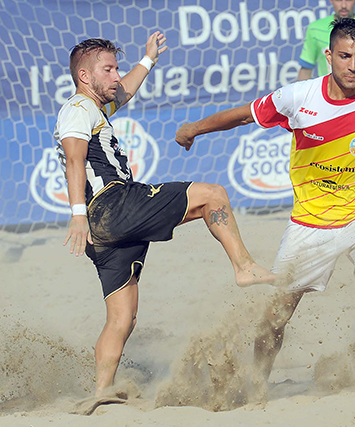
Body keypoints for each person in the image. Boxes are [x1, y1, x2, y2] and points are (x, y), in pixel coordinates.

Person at [176, 18, 355, 381]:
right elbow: (244, 115)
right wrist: (194, 129)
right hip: (309, 222)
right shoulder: (299, 96)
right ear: (329, 55)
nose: (352, 65)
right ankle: (257, 379)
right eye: (344, 56)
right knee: (276, 317)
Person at [54, 33, 275, 396]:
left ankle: (101, 394)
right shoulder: (77, 109)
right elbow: (75, 161)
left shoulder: (93, 107)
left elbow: (123, 92)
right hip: (114, 204)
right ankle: (244, 266)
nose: (116, 76)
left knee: (123, 319)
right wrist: (78, 214)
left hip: (104, 227)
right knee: (212, 196)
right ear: (84, 76)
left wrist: (148, 60)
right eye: (108, 69)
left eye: (117, 68)